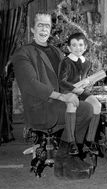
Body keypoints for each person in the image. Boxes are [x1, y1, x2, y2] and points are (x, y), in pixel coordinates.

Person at [11, 13, 93, 160]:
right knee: (85, 109)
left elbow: (67, 79)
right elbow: (31, 84)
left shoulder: (56, 51)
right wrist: (62, 96)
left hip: (59, 102)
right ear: (32, 29)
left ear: (50, 29)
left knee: (89, 106)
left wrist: (84, 84)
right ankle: (68, 152)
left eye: (47, 26)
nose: (44, 29)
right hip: (41, 106)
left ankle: (69, 150)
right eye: (40, 25)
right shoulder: (23, 52)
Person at [58, 32, 101, 155]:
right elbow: (61, 81)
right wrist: (74, 89)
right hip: (68, 90)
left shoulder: (87, 62)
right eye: (74, 45)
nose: (78, 48)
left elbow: (84, 79)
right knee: (72, 103)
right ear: (69, 48)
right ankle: (71, 142)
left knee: (97, 105)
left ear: (85, 47)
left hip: (81, 90)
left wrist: (89, 84)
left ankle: (90, 140)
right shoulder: (65, 62)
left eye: (81, 45)